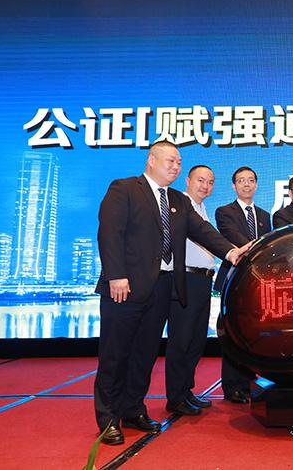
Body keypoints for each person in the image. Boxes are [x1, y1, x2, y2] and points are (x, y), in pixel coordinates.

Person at [94, 141, 250, 445]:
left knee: (145, 354)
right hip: (125, 287)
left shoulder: (178, 200)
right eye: (171, 161)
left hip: (163, 288)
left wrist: (231, 252)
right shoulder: (125, 188)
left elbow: (202, 232)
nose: (176, 167)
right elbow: (109, 233)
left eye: (179, 162)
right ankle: (108, 418)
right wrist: (116, 275)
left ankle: (133, 410)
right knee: (116, 354)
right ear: (151, 160)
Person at [213, 166, 272, 404]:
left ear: (256, 185)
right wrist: (257, 249)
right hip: (233, 279)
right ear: (234, 186)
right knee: (233, 332)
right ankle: (232, 386)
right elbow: (233, 238)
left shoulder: (264, 215)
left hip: (257, 282)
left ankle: (249, 382)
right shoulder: (224, 212)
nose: (246, 185)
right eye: (241, 181)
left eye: (250, 180)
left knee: (252, 333)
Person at [164, 165, 218, 417]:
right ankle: (175, 397)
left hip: (203, 281)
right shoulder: (180, 206)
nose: (205, 186)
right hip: (185, 278)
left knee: (196, 340)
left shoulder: (202, 208)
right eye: (200, 180)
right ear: (187, 180)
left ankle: (186, 391)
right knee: (181, 340)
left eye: (210, 182)